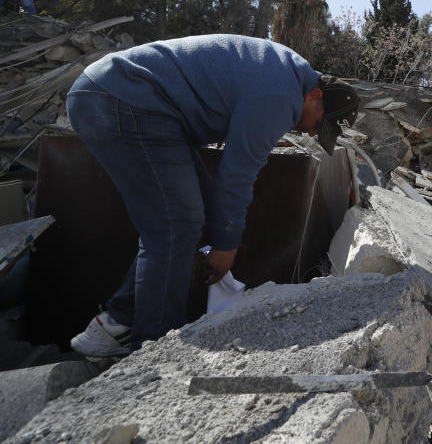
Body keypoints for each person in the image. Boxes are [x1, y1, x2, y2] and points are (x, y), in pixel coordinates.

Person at [67, 34, 359, 357]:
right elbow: (236, 175)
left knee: (196, 211)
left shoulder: (285, 73)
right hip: (122, 99)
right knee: (175, 223)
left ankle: (116, 323)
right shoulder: (281, 95)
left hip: (131, 101)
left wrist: (224, 237)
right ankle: (151, 352)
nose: (313, 133)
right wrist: (226, 248)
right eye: (321, 123)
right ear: (314, 95)